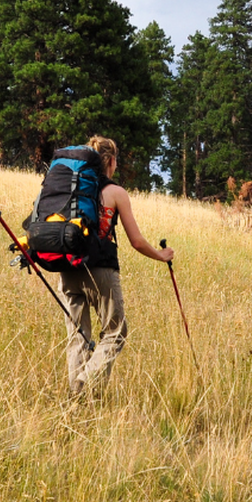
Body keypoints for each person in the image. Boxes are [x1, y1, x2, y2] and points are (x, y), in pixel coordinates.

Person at [58, 135, 173, 398]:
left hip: (67, 268)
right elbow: (137, 241)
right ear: (110, 161)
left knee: (77, 336)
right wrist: (161, 255)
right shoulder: (116, 193)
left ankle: (78, 400)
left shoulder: (69, 187)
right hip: (101, 268)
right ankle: (87, 380)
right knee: (116, 331)